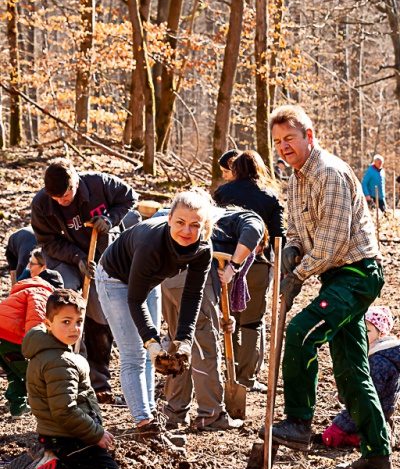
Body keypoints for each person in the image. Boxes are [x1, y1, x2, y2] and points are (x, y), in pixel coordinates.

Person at [263, 103, 390, 469]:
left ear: (309, 137)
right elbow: (301, 231)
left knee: (301, 332)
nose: (284, 147)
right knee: (352, 369)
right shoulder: (295, 178)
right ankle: (377, 454)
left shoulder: (329, 173)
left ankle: (299, 423)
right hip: (335, 278)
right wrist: (291, 249)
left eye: (290, 138)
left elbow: (333, 242)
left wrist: (297, 276)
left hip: (356, 275)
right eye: (278, 141)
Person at [95, 189, 214, 440]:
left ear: (204, 227)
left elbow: (192, 296)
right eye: (180, 222)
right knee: (136, 353)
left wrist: (184, 340)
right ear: (169, 218)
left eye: (195, 225)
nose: (187, 231)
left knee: (157, 353)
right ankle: (145, 424)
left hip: (148, 282)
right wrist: (150, 341)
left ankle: (150, 416)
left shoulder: (203, 250)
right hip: (115, 278)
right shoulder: (151, 244)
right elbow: (134, 299)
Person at [30, 158, 137, 403]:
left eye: (65, 197)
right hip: (67, 259)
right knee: (66, 307)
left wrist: (110, 219)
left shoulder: (99, 183)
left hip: (102, 257)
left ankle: (99, 383)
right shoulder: (41, 203)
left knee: (99, 316)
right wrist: (77, 257)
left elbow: (130, 198)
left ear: (76, 182)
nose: (61, 202)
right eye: (56, 198)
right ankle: (69, 377)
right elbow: (47, 242)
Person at [161, 207, 265, 430]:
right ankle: (211, 414)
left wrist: (220, 318)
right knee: (204, 345)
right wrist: (233, 267)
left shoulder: (201, 216)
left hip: (166, 276)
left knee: (179, 341)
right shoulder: (247, 218)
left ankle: (175, 411)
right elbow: (254, 229)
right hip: (193, 275)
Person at [21, 289, 123, 469]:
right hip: (67, 436)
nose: (74, 328)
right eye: (66, 322)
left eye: (78, 322)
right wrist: (96, 434)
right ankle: (57, 468)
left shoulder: (51, 352)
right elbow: (64, 410)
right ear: (48, 324)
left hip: (62, 433)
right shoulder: (59, 362)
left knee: (100, 467)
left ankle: (59, 461)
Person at [214, 150, 286, 392]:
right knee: (252, 321)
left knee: (229, 317)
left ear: (236, 170)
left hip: (226, 262)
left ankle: (231, 372)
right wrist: (282, 265)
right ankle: (246, 378)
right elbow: (279, 236)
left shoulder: (223, 193)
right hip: (257, 263)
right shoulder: (270, 197)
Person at [322, 306, 400, 448]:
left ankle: (367, 438)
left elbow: (365, 399)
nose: (362, 334)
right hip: (369, 412)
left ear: (381, 334)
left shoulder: (379, 362)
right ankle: (376, 434)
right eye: (359, 330)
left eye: (368, 330)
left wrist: (341, 423)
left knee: (330, 437)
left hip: (370, 413)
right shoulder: (372, 354)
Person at [0, 274, 63, 418]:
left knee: (15, 372)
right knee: (31, 374)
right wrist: (36, 346)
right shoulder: (42, 292)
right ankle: (50, 410)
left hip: (3, 337)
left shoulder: (26, 289)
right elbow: (35, 320)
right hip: (9, 337)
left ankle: (19, 408)